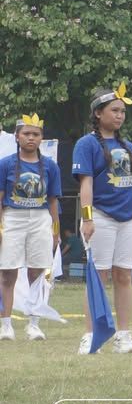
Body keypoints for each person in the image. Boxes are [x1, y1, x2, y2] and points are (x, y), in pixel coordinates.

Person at [72, 83, 132, 354]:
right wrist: (87, 219)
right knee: (98, 277)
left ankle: (123, 335)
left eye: (122, 111)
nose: (120, 116)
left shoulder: (129, 146)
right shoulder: (85, 144)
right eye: (114, 110)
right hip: (101, 216)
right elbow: (85, 184)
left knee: (124, 275)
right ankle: (91, 334)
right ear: (98, 113)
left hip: (131, 217)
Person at [0, 113, 62, 341]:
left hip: (40, 218)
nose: (30, 138)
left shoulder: (50, 166)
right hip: (13, 218)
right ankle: (5, 324)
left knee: (37, 271)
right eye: (26, 134)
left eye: (35, 134)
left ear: (41, 138)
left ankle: (33, 323)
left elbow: (54, 200)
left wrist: (55, 231)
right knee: (8, 272)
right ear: (17, 137)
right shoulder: (5, 164)